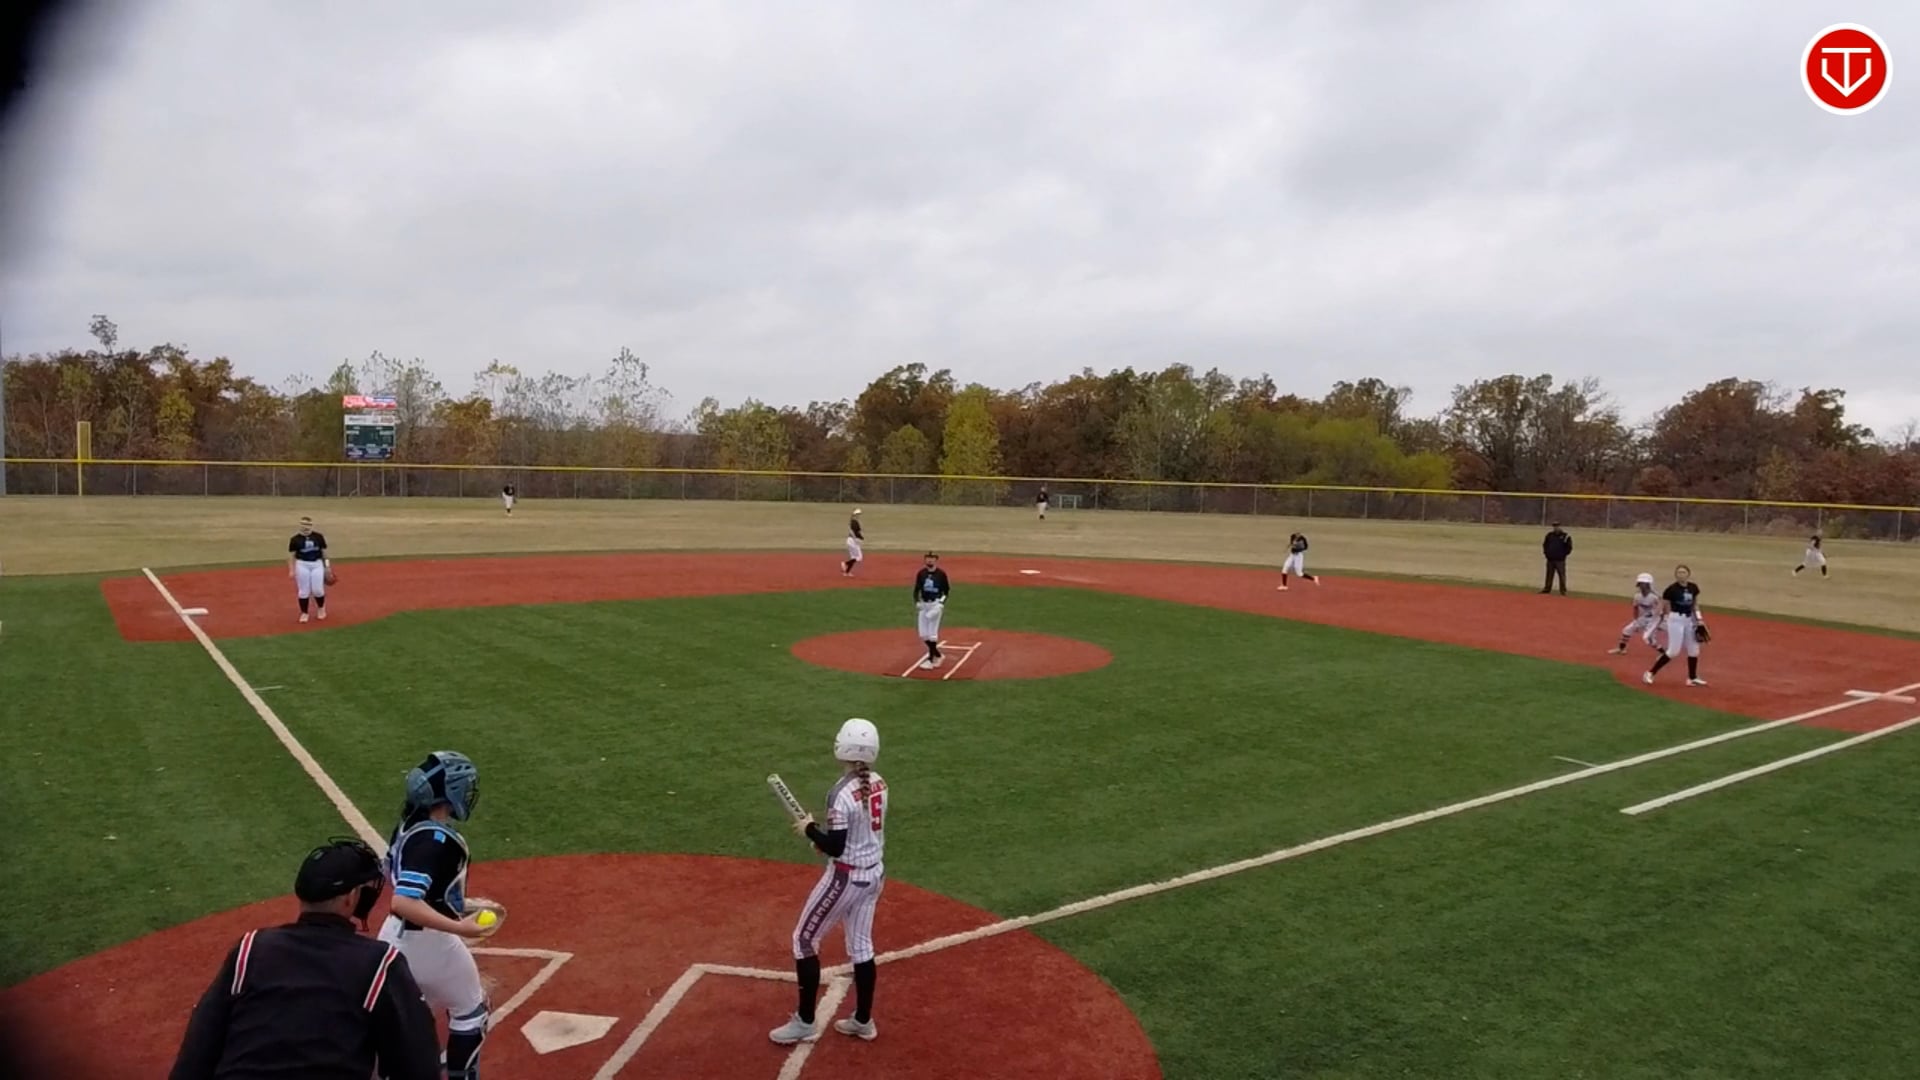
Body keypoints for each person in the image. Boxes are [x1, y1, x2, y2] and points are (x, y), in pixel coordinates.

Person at [167, 838, 442, 1080]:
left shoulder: (252, 949)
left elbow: (200, 1044)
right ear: (350, 898)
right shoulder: (378, 963)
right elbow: (420, 1064)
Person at [378, 751, 498, 1080]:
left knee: (401, 1026)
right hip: (428, 945)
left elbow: (402, 882)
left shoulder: (409, 826)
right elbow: (404, 901)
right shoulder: (436, 840)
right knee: (471, 1011)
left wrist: (459, 905)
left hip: (393, 939)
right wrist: (460, 926)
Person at [770, 718, 889, 1046]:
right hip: (873, 874)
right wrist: (820, 839)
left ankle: (805, 1022)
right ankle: (863, 1020)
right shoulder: (880, 783)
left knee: (804, 940)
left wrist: (809, 829)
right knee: (862, 946)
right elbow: (851, 837)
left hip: (845, 878)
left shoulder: (840, 794)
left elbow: (836, 846)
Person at [1644, 565, 1709, 687]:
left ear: (1688, 574)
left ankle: (1692, 678)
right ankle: (1650, 672)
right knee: (1673, 651)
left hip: (1689, 619)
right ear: (1676, 575)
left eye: (1683, 572)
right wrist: (1664, 617)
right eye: (1679, 572)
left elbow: (1695, 604)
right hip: (1676, 619)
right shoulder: (1671, 589)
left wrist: (1699, 619)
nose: (1681, 574)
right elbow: (1664, 605)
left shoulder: (1693, 587)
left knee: (1694, 650)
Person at [287, 516, 332, 623]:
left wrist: (327, 567)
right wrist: (291, 569)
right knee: (303, 591)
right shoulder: (295, 539)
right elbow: (291, 555)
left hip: (317, 564)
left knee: (318, 590)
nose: (305, 527)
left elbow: (324, 553)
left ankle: (321, 608)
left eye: (308, 525)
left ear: (311, 526)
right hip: (302, 564)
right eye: (303, 524)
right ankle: (304, 613)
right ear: (300, 525)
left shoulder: (318, 537)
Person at [912, 552, 950, 669]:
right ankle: (938, 655)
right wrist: (917, 601)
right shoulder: (921, 573)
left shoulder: (941, 574)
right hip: (924, 604)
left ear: (936, 560)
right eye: (928, 558)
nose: (929, 561)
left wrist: (941, 603)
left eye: (932, 559)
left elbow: (946, 591)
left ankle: (931, 659)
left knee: (932, 634)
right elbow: (916, 589)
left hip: (935, 604)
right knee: (923, 634)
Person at [1609, 573, 1662, 654]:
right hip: (1643, 618)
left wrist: (1657, 623)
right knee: (1626, 630)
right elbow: (1635, 608)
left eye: (1644, 583)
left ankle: (1663, 653)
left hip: (1654, 619)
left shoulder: (1654, 597)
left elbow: (1660, 610)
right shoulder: (1637, 596)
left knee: (1649, 639)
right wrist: (1635, 620)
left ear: (1649, 584)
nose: (1642, 585)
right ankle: (1621, 649)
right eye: (1640, 583)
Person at [1540, 522, 1572, 595]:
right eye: (1554, 526)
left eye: (1557, 526)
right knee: (1549, 575)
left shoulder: (1565, 536)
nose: (1556, 528)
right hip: (1550, 559)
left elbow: (1569, 547)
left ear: (1560, 527)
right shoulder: (1549, 535)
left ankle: (1563, 591)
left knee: (1561, 575)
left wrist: (1563, 555)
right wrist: (1546, 553)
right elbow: (1545, 545)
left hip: (1560, 560)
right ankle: (1547, 589)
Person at [842, 509, 864, 576]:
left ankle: (846, 572)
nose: (859, 515)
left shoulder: (853, 521)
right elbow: (851, 531)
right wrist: (856, 539)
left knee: (853, 557)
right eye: (858, 514)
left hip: (850, 540)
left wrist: (861, 538)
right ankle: (845, 563)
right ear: (855, 515)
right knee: (859, 557)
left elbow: (858, 532)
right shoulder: (854, 522)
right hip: (853, 541)